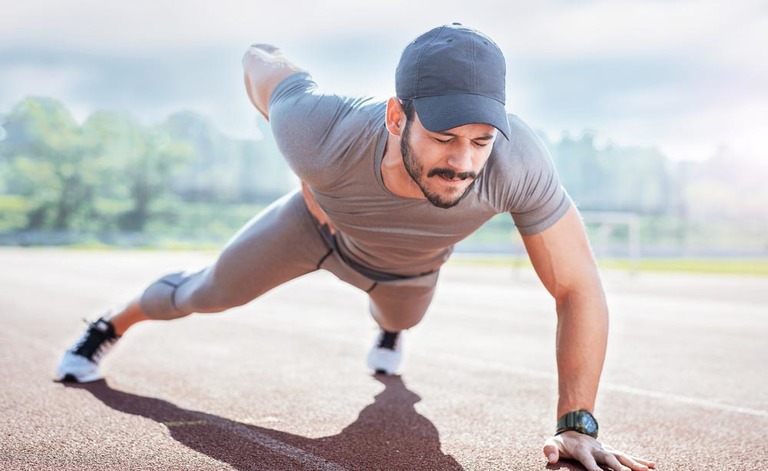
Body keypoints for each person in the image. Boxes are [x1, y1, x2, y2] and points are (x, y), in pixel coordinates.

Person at [56, 23, 656, 471]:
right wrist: (305, 172)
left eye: (480, 141)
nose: (463, 162)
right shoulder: (317, 127)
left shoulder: (519, 162)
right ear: (396, 116)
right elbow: (258, 58)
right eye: (444, 137)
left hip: (408, 273)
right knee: (205, 293)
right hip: (309, 229)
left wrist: (577, 424)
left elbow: (577, 286)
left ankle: (388, 331)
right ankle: (108, 325)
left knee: (401, 321)